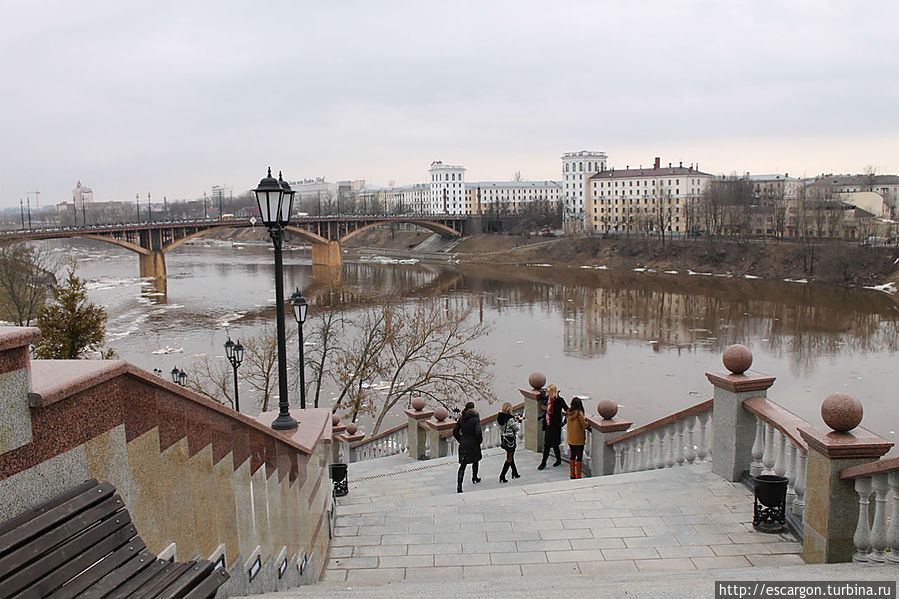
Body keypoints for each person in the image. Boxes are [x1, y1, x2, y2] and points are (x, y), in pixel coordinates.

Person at [452, 401, 482, 493]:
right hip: (473, 443)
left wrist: (460, 439)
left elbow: (455, 431)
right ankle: (474, 477)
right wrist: (479, 441)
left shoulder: (461, 418)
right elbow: (478, 432)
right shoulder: (475, 418)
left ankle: (459, 486)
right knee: (475, 460)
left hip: (464, 443)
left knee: (463, 465)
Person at [538, 384, 568, 470]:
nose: (547, 392)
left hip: (556, 425)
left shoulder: (560, 400)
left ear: (552, 392)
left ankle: (554, 460)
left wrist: (564, 421)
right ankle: (545, 462)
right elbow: (543, 407)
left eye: (548, 391)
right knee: (547, 444)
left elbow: (567, 410)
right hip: (548, 424)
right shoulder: (548, 399)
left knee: (555, 444)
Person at [496, 402, 523, 483]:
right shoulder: (510, 419)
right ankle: (502, 476)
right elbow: (516, 428)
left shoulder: (500, 418)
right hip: (510, 439)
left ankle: (515, 473)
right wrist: (518, 422)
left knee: (510, 455)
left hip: (503, 438)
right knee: (509, 458)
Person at [566, 396, 588, 479]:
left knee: (572, 455)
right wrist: (588, 424)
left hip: (570, 438)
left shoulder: (569, 412)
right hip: (578, 439)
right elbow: (584, 425)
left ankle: (572, 474)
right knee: (579, 456)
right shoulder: (579, 414)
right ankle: (578, 475)